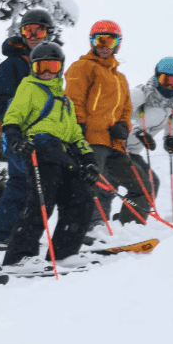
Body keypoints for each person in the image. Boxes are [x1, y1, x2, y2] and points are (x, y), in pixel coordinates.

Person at [2, 43, 99, 267]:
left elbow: (75, 135)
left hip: (64, 154)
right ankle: (18, 258)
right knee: (41, 203)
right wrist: (15, 139)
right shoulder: (29, 87)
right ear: (33, 68)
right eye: (41, 66)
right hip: (40, 150)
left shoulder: (65, 101)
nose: (46, 72)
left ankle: (64, 254)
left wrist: (89, 160)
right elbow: (13, 116)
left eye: (52, 66)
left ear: (60, 68)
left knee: (81, 200)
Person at [0, 8, 56, 254]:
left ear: (49, 33)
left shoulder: (47, 65)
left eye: (39, 30)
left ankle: (13, 237)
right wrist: (17, 123)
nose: (33, 35)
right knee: (23, 184)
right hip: (17, 136)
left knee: (29, 185)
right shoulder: (12, 64)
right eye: (28, 30)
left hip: (41, 137)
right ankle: (2, 238)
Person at [63, 20, 138, 229]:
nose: (104, 46)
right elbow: (73, 99)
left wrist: (123, 126)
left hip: (113, 142)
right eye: (100, 40)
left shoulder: (120, 78)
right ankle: (85, 228)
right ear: (92, 42)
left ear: (117, 44)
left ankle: (102, 226)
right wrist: (78, 125)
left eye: (109, 41)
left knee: (111, 187)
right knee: (90, 185)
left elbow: (126, 109)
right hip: (91, 138)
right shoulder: (82, 67)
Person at [127, 56, 173, 212]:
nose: (169, 86)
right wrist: (138, 132)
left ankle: (130, 219)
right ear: (156, 77)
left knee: (152, 183)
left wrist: (172, 139)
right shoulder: (140, 94)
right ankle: (99, 222)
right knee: (112, 184)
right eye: (165, 80)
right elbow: (119, 115)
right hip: (115, 145)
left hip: (133, 152)